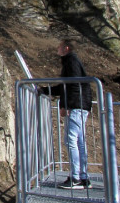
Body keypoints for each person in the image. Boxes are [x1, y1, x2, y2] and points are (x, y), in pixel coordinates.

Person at [39, 39, 93, 189]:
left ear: (66, 48)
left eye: (59, 46)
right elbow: (65, 86)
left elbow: (74, 84)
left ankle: (75, 178)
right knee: (79, 142)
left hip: (76, 106)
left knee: (72, 141)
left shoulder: (71, 61)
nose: (57, 48)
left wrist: (67, 105)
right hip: (81, 105)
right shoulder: (71, 61)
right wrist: (45, 90)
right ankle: (83, 177)